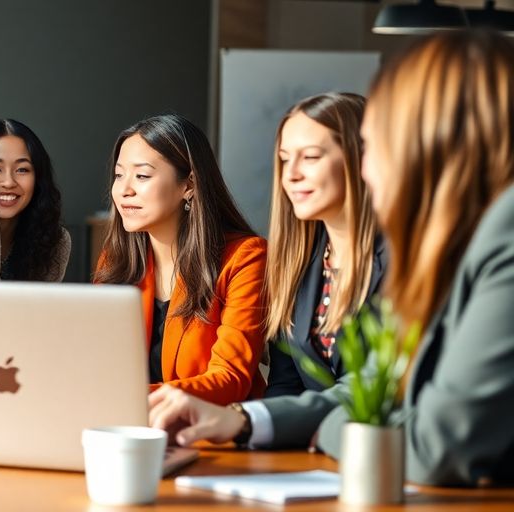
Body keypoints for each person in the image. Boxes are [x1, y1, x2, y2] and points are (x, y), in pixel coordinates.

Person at [149, 30, 514, 487]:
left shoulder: (492, 237)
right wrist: (248, 421)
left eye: (380, 141)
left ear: (440, 133)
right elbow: (373, 392)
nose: (369, 166)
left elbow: (428, 439)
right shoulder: (306, 259)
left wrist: (328, 431)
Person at [94, 114, 267, 405]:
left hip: (217, 437)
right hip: (130, 430)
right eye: (119, 175)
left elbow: (230, 379)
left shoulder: (245, 258)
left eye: (142, 176)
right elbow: (98, 366)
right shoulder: (116, 261)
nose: (124, 190)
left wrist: (125, 397)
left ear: (189, 185)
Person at [265, 92, 387, 397]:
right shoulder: (295, 262)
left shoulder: (405, 259)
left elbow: (379, 388)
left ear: (360, 159)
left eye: (310, 157)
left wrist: (247, 419)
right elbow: (285, 386)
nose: (290, 175)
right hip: (304, 443)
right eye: (283, 159)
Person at [0, 118, 70, 281]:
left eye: (22, 170)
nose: (8, 182)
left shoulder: (54, 240)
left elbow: (42, 305)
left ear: (38, 177)